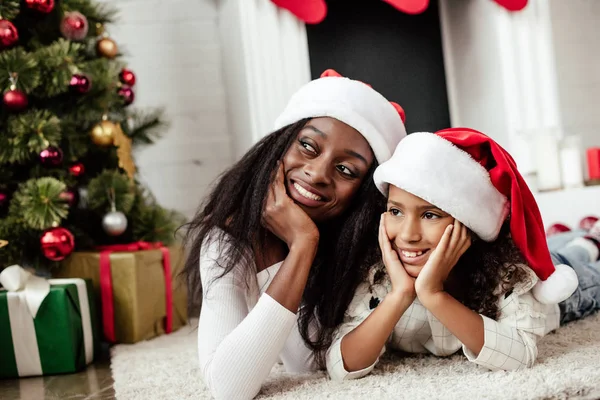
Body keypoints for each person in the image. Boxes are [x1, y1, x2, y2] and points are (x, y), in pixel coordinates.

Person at [182, 69, 407, 399]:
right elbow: (229, 389)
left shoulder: (367, 247)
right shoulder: (227, 241)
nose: (317, 174)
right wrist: (300, 245)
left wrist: (301, 244)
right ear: (279, 144)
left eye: (346, 170)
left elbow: (308, 363)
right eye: (307, 146)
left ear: (362, 194)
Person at [325, 128, 600, 380]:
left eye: (430, 214)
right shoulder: (380, 275)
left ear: (467, 223)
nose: (407, 235)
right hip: (549, 258)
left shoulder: (506, 273)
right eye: (396, 211)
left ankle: (589, 240)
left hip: (562, 296)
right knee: (570, 247)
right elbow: (339, 367)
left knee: (578, 265)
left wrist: (434, 295)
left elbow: (520, 356)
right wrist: (399, 295)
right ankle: (586, 237)